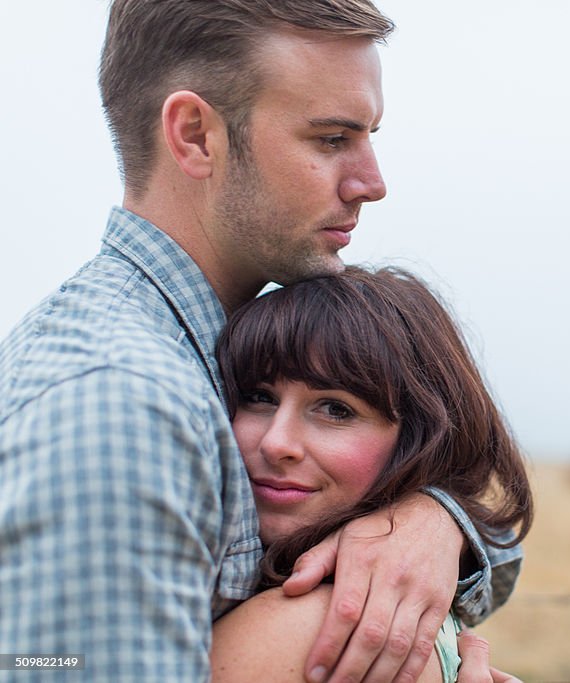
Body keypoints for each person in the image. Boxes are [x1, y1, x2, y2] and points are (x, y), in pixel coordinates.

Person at [0, 2, 521, 681]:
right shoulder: (124, 404)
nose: (373, 181)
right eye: (332, 139)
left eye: (369, 137)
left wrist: (430, 520)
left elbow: (499, 543)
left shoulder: (216, 354)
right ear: (195, 137)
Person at [209, 267, 533, 682]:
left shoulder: (313, 627)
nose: (277, 443)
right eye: (259, 397)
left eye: (335, 409)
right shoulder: (411, 591)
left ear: (418, 441)